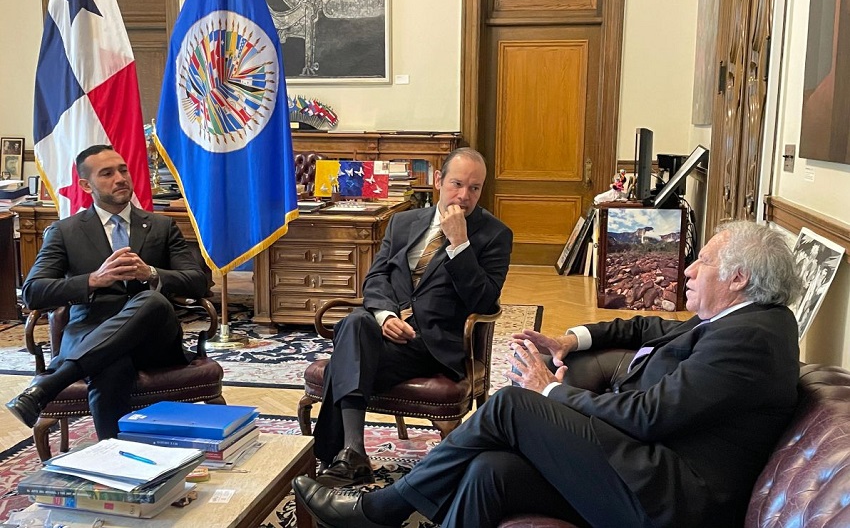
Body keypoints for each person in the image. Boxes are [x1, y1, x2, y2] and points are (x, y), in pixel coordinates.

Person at [292, 220, 802, 528]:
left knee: (516, 404)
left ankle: (383, 510)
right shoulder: (736, 319)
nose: (687, 270)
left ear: (738, 277)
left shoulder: (751, 338)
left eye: (703, 262)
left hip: (666, 500)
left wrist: (551, 389)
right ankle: (393, 510)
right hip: (643, 472)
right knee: (490, 472)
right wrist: (569, 340)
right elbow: (646, 325)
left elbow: (648, 417)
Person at [311, 147, 513, 487]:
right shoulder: (403, 222)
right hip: (386, 335)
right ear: (438, 181)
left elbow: (485, 299)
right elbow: (375, 278)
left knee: (342, 361)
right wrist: (386, 316)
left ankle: (340, 454)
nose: (463, 196)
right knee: (356, 322)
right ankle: (353, 451)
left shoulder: (494, 235)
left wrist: (459, 244)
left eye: (474, 188)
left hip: (434, 346)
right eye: (456, 184)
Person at [5, 145, 206, 439]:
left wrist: (150, 273)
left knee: (150, 299)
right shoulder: (65, 231)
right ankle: (115, 458)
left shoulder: (161, 226)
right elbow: (33, 292)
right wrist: (93, 280)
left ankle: (48, 386)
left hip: (154, 339)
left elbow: (198, 282)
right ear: (86, 185)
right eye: (107, 173)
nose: (120, 178)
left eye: (123, 170)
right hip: (92, 333)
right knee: (110, 364)